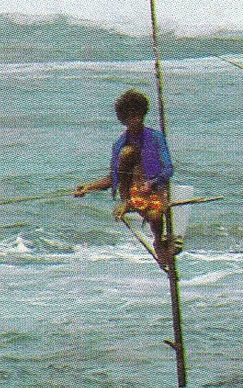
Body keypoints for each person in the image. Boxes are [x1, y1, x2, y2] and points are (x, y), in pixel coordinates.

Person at [74, 89, 176, 264]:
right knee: (127, 153)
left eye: (138, 114)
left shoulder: (156, 138)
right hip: (132, 193)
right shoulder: (120, 144)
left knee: (156, 216)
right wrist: (89, 187)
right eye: (130, 116)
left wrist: (153, 182)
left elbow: (168, 169)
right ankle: (127, 202)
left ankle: (159, 241)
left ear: (143, 114)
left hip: (155, 189)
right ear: (123, 119)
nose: (135, 119)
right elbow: (114, 178)